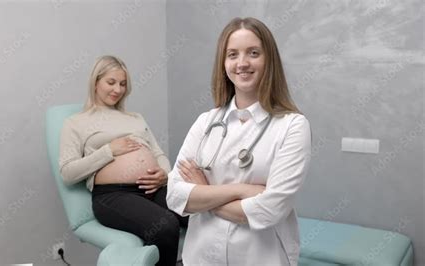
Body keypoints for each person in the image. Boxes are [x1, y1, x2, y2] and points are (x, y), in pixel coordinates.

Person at [166, 17, 311, 266]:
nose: (242, 63)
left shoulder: (293, 126)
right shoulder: (206, 122)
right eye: (232, 54)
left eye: (253, 53)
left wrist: (204, 193)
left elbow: (270, 209)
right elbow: (175, 196)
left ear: (269, 60)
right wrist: (242, 191)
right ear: (223, 63)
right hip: (202, 257)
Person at [59, 55, 187, 266]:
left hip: (153, 188)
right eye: (111, 82)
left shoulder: (135, 118)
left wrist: (164, 175)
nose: (117, 90)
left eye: (123, 84)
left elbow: (158, 154)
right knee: (165, 226)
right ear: (96, 82)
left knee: (196, 212)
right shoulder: (76, 123)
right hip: (113, 195)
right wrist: (108, 150)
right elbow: (67, 173)